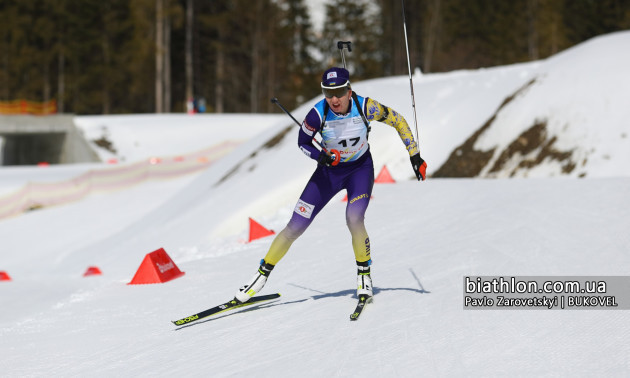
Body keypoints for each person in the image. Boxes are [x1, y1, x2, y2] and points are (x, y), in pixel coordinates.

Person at [234, 67, 427, 303]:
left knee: (354, 218)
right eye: (328, 93)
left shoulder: (366, 107)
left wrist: (414, 155)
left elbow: (398, 120)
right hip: (328, 173)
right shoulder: (318, 113)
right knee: (295, 225)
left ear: (349, 91)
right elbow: (303, 141)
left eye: (338, 92)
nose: (334, 99)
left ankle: (364, 274)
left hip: (359, 170)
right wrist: (320, 156)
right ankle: (260, 276)